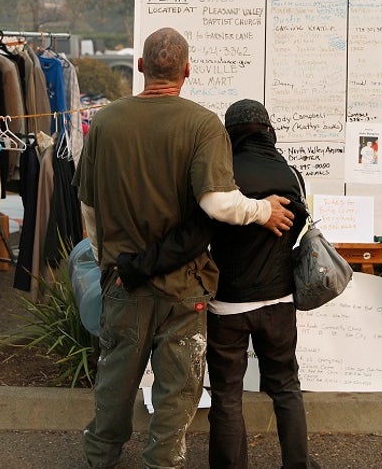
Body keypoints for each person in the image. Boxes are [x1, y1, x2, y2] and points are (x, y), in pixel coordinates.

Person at [73, 27, 294, 469]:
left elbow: (89, 206)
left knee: (114, 383)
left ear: (141, 67)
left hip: (123, 281)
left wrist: (104, 261)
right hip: (183, 289)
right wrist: (264, 211)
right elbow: (216, 203)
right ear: (187, 70)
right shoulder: (202, 124)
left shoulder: (106, 122)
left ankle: (100, 457)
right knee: (176, 393)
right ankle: (163, 463)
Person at [206, 99, 319, 469]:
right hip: (278, 301)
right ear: (268, 131)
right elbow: (297, 226)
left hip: (227, 305)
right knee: (286, 387)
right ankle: (297, 465)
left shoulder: (221, 177)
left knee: (226, 394)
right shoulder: (291, 176)